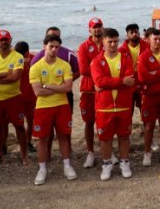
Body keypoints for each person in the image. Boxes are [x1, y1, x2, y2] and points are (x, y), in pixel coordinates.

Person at [29, 34, 77, 185]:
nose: (54, 49)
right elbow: (38, 92)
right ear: (45, 46)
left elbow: (68, 88)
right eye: (51, 46)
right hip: (43, 107)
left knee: (63, 136)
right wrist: (58, 87)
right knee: (43, 139)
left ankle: (67, 165)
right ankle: (42, 169)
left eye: (57, 47)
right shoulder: (36, 67)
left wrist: (48, 86)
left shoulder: (65, 65)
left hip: (62, 105)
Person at [91, 28, 136, 181]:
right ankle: (106, 164)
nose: (113, 44)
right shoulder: (97, 61)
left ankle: (124, 162)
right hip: (104, 107)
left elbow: (130, 80)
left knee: (124, 136)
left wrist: (107, 84)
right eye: (109, 41)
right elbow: (99, 81)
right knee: (105, 138)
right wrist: (121, 81)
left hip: (124, 105)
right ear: (103, 41)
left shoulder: (126, 59)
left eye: (115, 41)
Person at [0, 30, 30, 167]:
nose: (4, 42)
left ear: (10, 40)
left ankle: (24, 155)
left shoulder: (17, 56)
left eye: (6, 39)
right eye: (1, 40)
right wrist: (5, 74)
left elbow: (15, 77)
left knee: (19, 126)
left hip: (14, 98)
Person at [137, 27, 160, 167]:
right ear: (148, 40)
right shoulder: (143, 56)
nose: (158, 42)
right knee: (149, 125)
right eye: (155, 39)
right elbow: (142, 77)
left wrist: (154, 73)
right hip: (149, 96)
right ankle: (147, 152)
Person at [77, 18, 104, 168]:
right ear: (89, 30)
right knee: (89, 122)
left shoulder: (108, 44)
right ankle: (90, 152)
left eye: (99, 26)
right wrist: (101, 74)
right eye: (94, 27)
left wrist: (95, 68)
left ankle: (106, 151)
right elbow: (83, 70)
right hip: (88, 89)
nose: (97, 29)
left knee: (104, 121)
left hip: (104, 89)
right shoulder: (83, 47)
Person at [118, 23, 149, 112]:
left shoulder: (147, 47)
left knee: (145, 110)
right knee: (128, 110)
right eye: (131, 32)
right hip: (128, 84)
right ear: (127, 35)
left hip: (142, 83)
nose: (134, 34)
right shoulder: (121, 50)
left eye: (136, 32)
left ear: (139, 33)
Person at [14, 41, 37, 153]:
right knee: (18, 122)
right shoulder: (12, 59)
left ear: (27, 52)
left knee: (30, 121)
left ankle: (28, 142)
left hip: (31, 96)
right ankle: (19, 143)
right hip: (16, 97)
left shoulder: (34, 59)